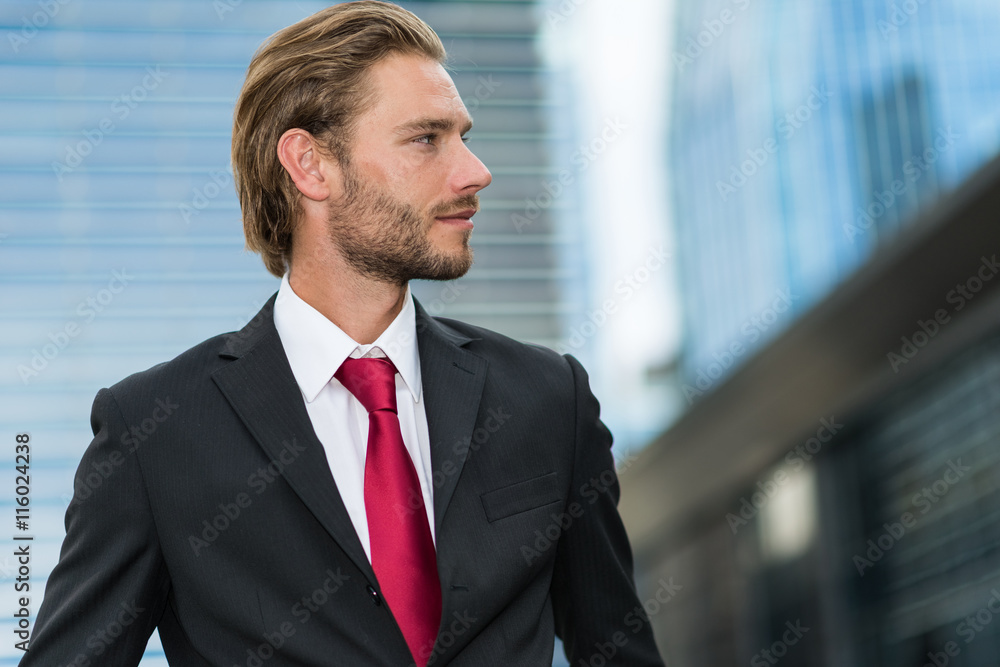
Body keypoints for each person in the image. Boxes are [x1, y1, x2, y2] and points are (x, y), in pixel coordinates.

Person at [21, 2, 665, 665]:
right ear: (310, 165)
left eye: (464, 136)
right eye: (426, 139)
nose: (474, 171)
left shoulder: (548, 399)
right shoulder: (155, 433)